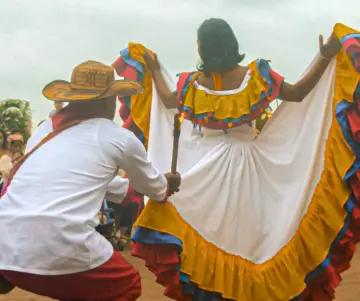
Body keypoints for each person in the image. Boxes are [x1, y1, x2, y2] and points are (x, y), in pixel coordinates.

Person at [113, 21, 360, 301]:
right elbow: (300, 92)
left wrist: (155, 69)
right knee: (257, 240)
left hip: (207, 171)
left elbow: (168, 101)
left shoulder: (193, 83)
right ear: (232, 44)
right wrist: (325, 56)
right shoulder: (257, 75)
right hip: (251, 167)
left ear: (202, 48)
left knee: (214, 236)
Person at [0, 60, 181, 301]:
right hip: (58, 242)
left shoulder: (45, 131)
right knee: (128, 285)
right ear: (106, 101)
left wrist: (129, 189)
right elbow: (156, 189)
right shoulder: (118, 136)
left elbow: (82, 179)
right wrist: (168, 184)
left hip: (6, 243)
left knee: (81, 285)